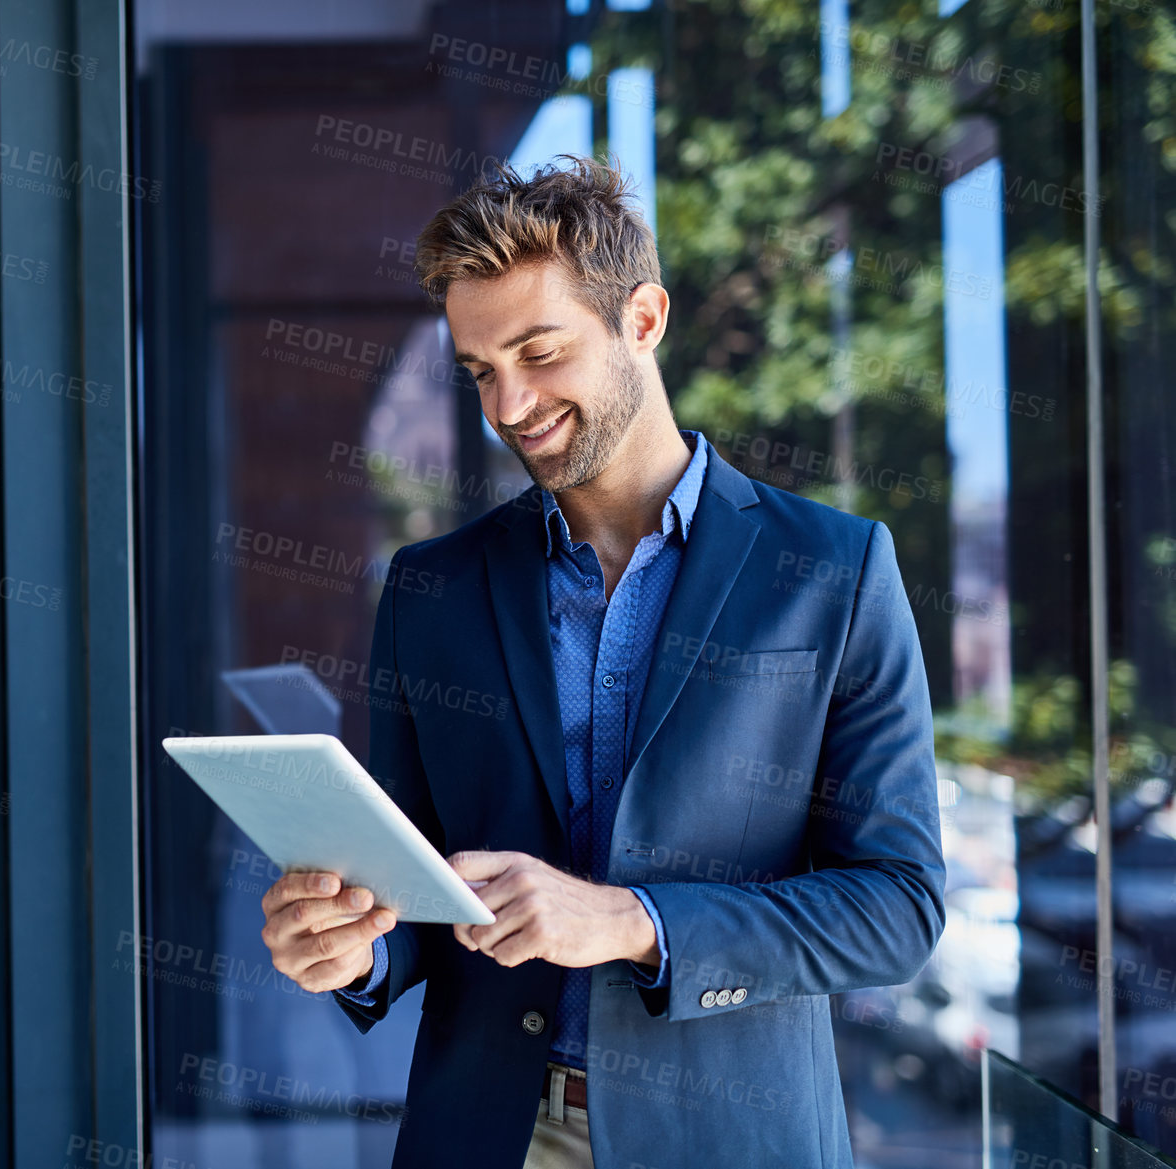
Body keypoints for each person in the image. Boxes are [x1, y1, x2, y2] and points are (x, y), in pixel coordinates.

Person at [257, 155, 946, 1168]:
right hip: (487, 1134)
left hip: (729, 1138)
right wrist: (349, 946)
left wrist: (630, 920)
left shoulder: (832, 572)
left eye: (538, 352)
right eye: (479, 368)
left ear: (643, 318)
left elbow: (895, 904)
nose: (508, 403)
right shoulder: (428, 588)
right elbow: (411, 882)